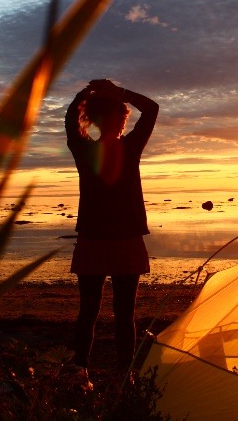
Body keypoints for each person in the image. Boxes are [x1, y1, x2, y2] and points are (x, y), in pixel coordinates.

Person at [64, 78, 159, 381]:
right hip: (123, 241)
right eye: (122, 115)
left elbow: (69, 118)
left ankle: (81, 373)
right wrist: (115, 92)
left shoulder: (83, 149)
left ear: (92, 119)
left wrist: (87, 94)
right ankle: (124, 374)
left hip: (94, 240)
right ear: (120, 119)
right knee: (123, 315)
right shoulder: (128, 148)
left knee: (88, 312)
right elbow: (152, 108)